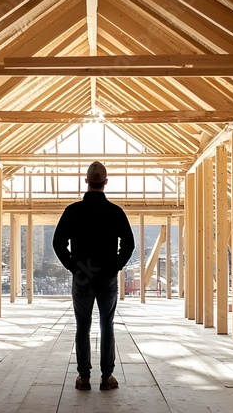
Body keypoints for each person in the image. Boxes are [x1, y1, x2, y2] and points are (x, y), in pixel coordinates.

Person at [53, 161, 134, 391]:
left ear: (86, 181)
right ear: (105, 183)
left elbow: (58, 243)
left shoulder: (73, 211)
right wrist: (115, 267)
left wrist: (74, 267)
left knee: (83, 326)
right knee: (107, 325)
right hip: (106, 276)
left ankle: (84, 377)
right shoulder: (115, 212)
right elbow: (129, 244)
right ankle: (107, 377)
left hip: (83, 277)